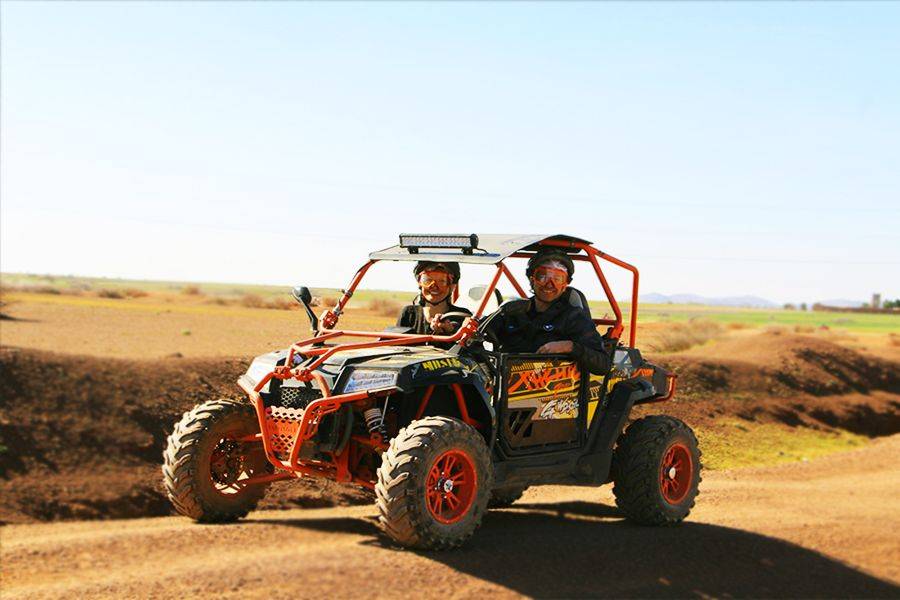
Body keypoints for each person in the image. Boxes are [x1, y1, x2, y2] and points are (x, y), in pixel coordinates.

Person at [484, 249, 611, 374]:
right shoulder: (514, 311)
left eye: (557, 278)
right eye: (542, 276)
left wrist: (569, 346)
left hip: (552, 391)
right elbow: (481, 329)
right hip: (501, 386)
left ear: (565, 284)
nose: (549, 284)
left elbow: (603, 365)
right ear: (532, 279)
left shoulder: (573, 317)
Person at [396, 261, 472, 335]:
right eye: (427, 280)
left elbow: (474, 345)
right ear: (419, 283)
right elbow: (395, 345)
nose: (434, 287)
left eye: (442, 281)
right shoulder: (409, 313)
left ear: (452, 286)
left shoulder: (463, 316)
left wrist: (452, 331)